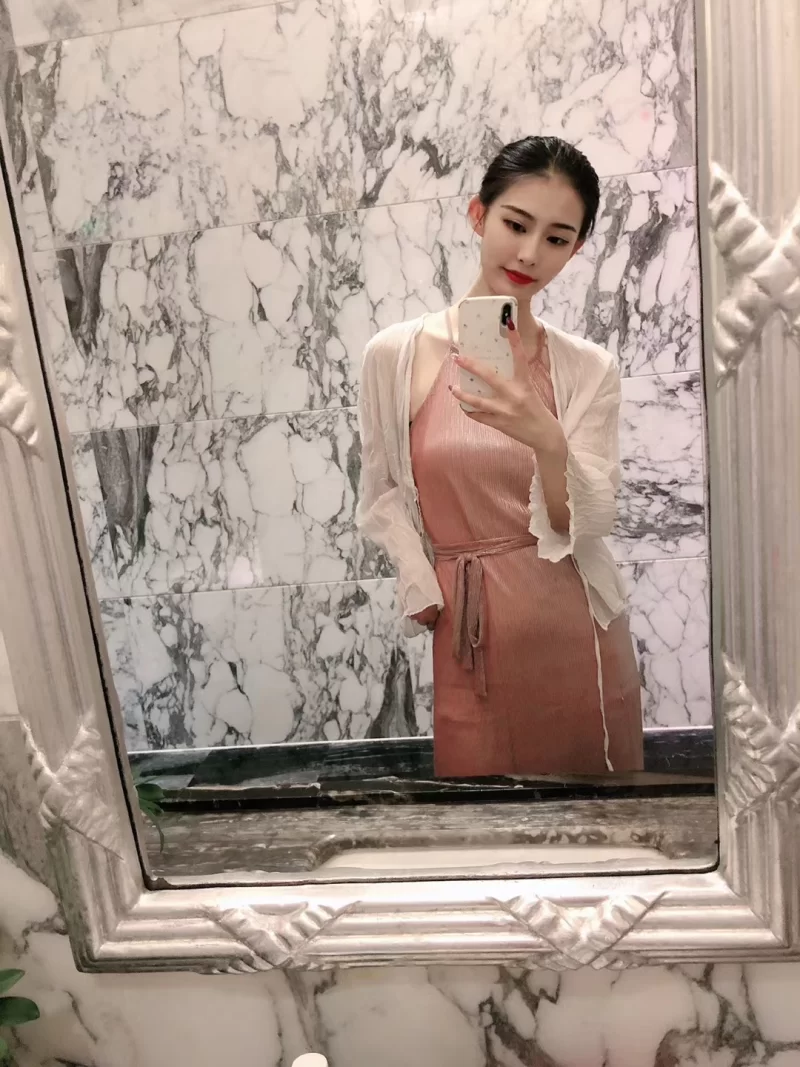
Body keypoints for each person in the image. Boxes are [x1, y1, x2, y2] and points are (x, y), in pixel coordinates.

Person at [356, 136, 643, 777]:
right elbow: (381, 492)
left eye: (557, 238)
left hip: (580, 637)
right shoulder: (394, 355)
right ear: (478, 215)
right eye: (516, 224)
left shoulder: (588, 368)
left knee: (593, 828)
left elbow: (581, 525)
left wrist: (545, 435)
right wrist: (419, 583)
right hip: (470, 634)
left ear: (576, 249)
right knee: (478, 821)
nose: (530, 253)